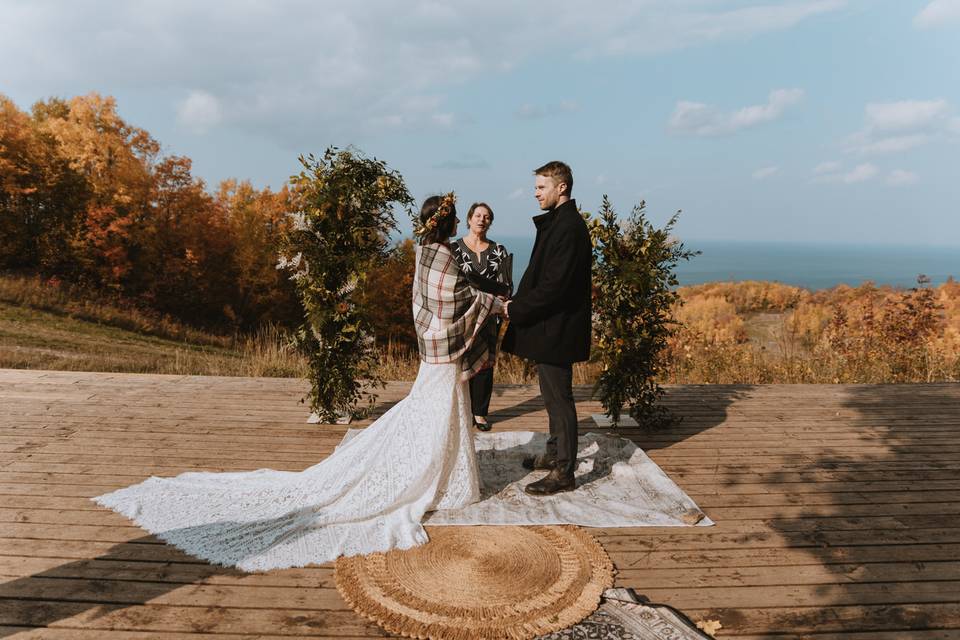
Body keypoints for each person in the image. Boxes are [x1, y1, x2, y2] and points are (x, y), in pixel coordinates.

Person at [93, 193, 504, 572]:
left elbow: (440, 297)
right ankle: (430, 472)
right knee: (434, 408)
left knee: (438, 406)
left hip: (436, 346)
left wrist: (479, 297)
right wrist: (491, 301)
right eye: (454, 216)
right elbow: (451, 298)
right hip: (441, 347)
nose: (457, 222)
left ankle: (443, 469)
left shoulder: (426, 250)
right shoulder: (439, 253)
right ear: (448, 221)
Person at [502, 161, 592, 497]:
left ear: (561, 188)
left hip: (559, 328)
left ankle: (564, 472)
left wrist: (518, 308)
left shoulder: (569, 227)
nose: (536, 193)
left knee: (559, 399)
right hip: (551, 327)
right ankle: (554, 456)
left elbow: (556, 286)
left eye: (541, 187)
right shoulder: (559, 223)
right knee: (551, 397)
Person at [451, 202, 512, 432]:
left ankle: (480, 413)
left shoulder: (499, 250)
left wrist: (502, 302)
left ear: (490, 222)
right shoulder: (454, 249)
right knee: (461, 362)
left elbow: (506, 284)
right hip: (461, 315)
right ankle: (462, 411)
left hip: (488, 316)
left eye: (486, 217)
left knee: (485, 364)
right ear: (469, 219)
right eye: (478, 215)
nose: (481, 219)